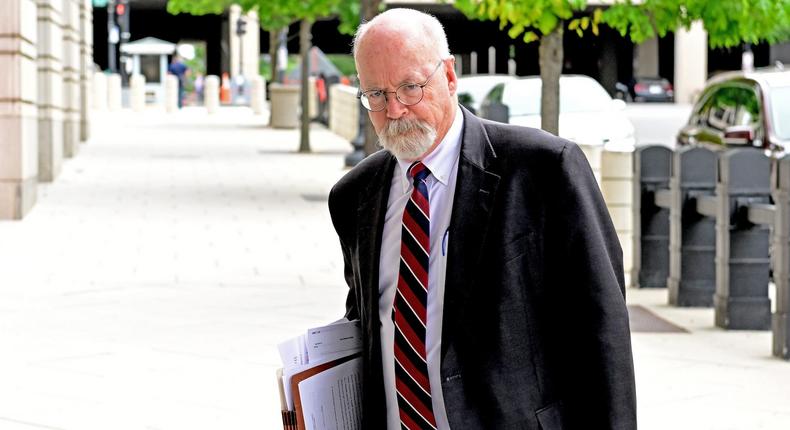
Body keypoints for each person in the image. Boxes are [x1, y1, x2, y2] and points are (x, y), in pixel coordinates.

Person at [328, 8, 636, 430]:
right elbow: (367, 324)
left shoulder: (545, 169)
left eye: (410, 87)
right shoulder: (353, 196)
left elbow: (602, 333)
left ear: (449, 76)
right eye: (376, 95)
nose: (395, 110)